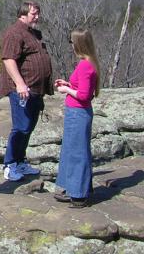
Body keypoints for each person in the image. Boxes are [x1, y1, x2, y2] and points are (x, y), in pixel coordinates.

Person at [0, 1, 53, 181]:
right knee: (21, 127)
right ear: (23, 14)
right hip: (21, 90)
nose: (37, 17)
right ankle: (10, 165)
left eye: (38, 13)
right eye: (33, 14)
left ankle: (20, 161)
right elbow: (9, 60)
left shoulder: (33, 34)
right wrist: (20, 84)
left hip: (36, 90)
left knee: (29, 127)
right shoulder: (14, 33)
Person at [53, 29, 100, 208]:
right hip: (78, 112)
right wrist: (68, 83)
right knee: (72, 150)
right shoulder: (88, 63)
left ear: (78, 44)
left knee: (77, 152)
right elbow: (82, 88)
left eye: (72, 43)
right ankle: (73, 188)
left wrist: (67, 90)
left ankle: (79, 194)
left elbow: (84, 95)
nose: (71, 46)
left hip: (78, 113)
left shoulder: (85, 65)